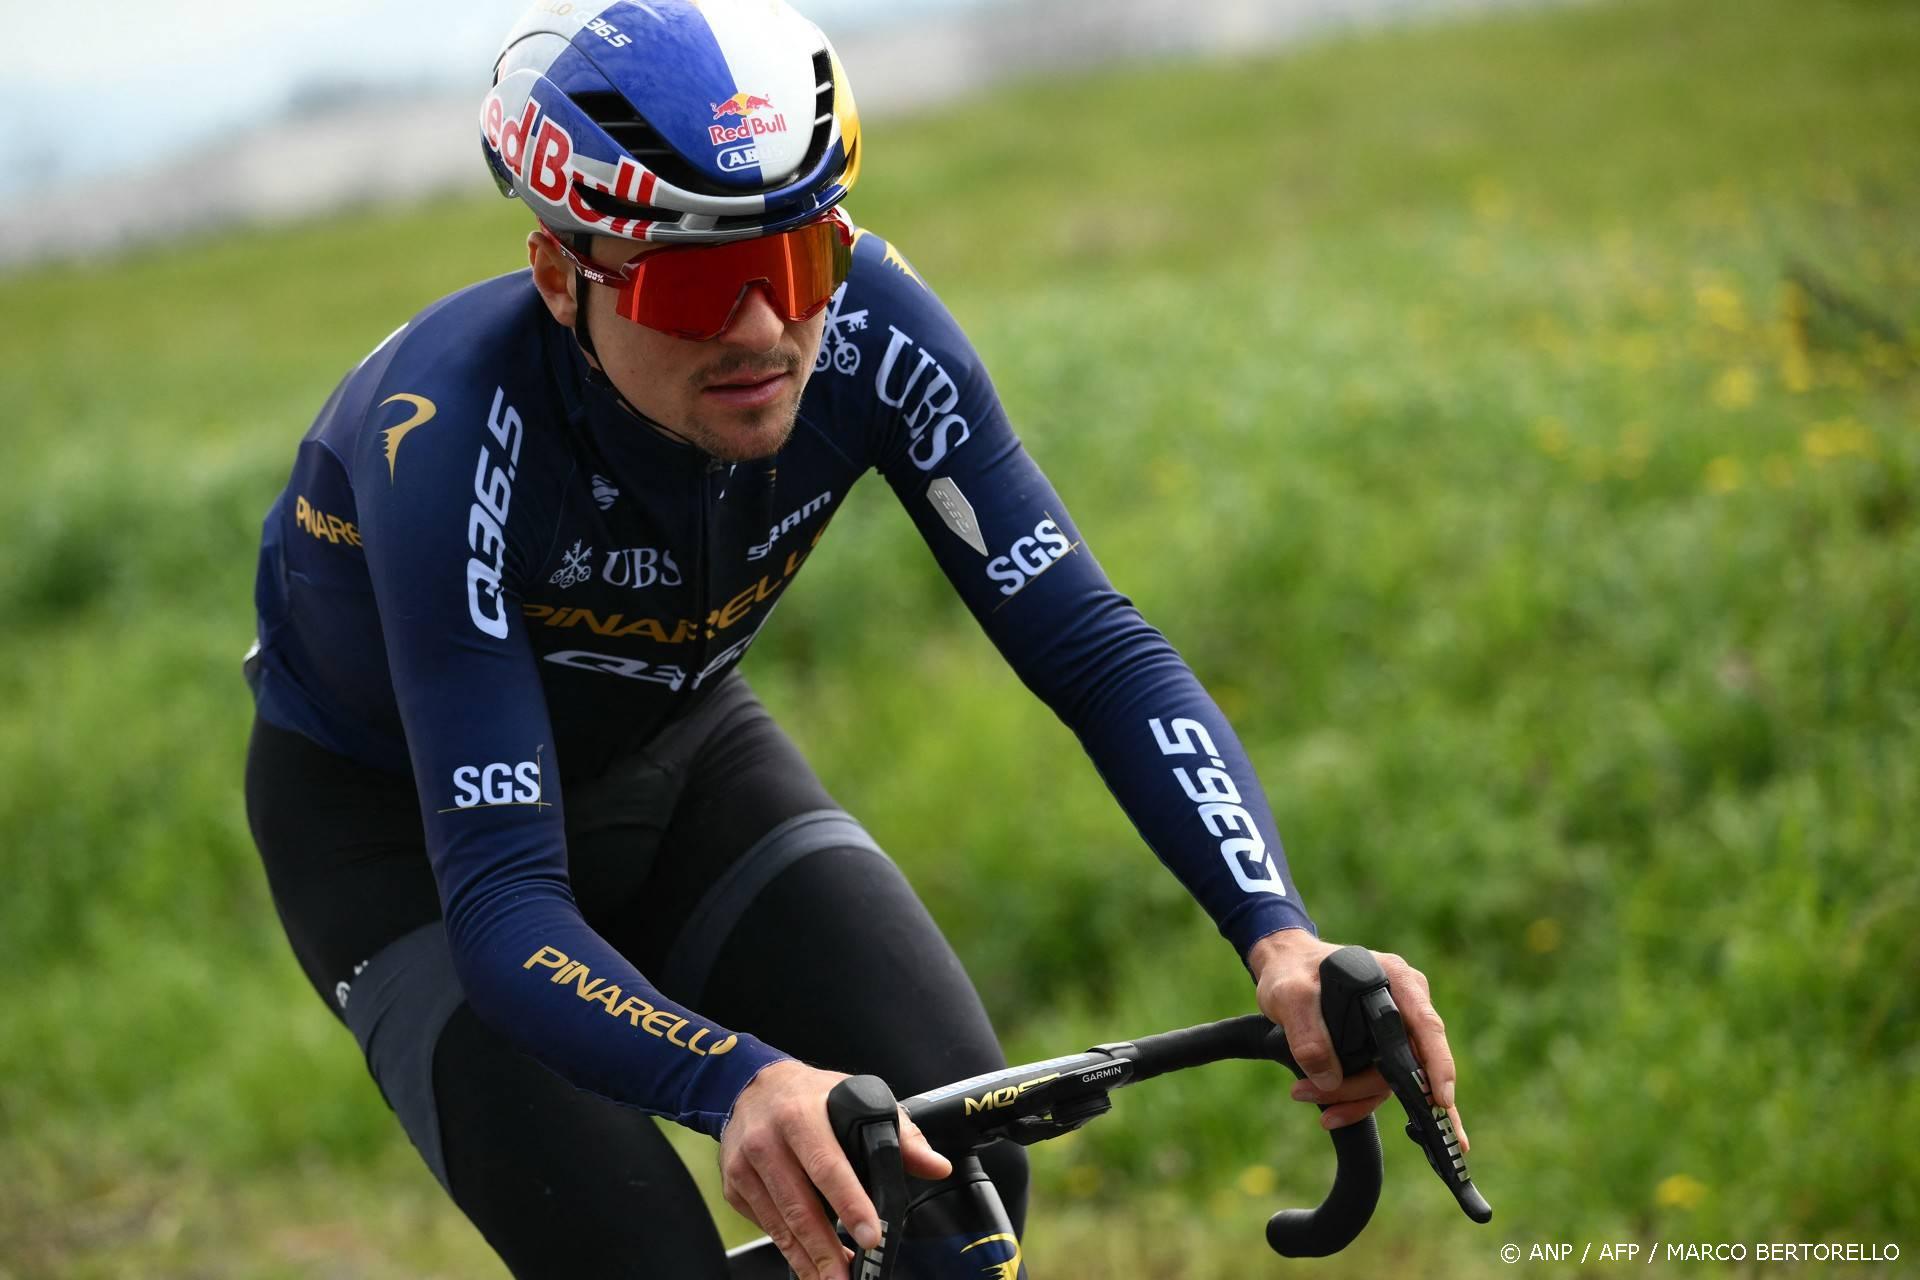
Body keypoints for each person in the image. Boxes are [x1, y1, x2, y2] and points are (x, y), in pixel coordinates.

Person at [242, 2, 1469, 1276]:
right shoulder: (441, 436)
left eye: (801, 261)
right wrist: (742, 1079)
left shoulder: (876, 332)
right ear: (563, 276)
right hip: (412, 852)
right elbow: (503, 901)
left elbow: (1098, 651)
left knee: (955, 1180)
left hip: (677, 756)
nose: (766, 330)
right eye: (701, 282)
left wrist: (1280, 932)